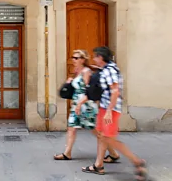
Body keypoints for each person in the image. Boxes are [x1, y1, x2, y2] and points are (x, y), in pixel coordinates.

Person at [81, 46, 148, 180]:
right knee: (101, 136)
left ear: (100, 58)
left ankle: (137, 162)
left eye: (95, 57)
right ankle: (98, 165)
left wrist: (109, 111)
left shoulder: (109, 71)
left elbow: (115, 91)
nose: (94, 59)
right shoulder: (107, 69)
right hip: (105, 108)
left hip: (109, 110)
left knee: (109, 138)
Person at [53, 50, 98, 160]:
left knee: (96, 131)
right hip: (76, 104)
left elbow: (88, 90)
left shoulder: (86, 71)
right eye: (73, 57)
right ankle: (67, 153)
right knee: (71, 128)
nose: (73, 59)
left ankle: (112, 152)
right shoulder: (76, 70)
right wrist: (70, 82)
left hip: (86, 105)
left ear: (83, 59)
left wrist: (80, 104)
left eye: (76, 58)